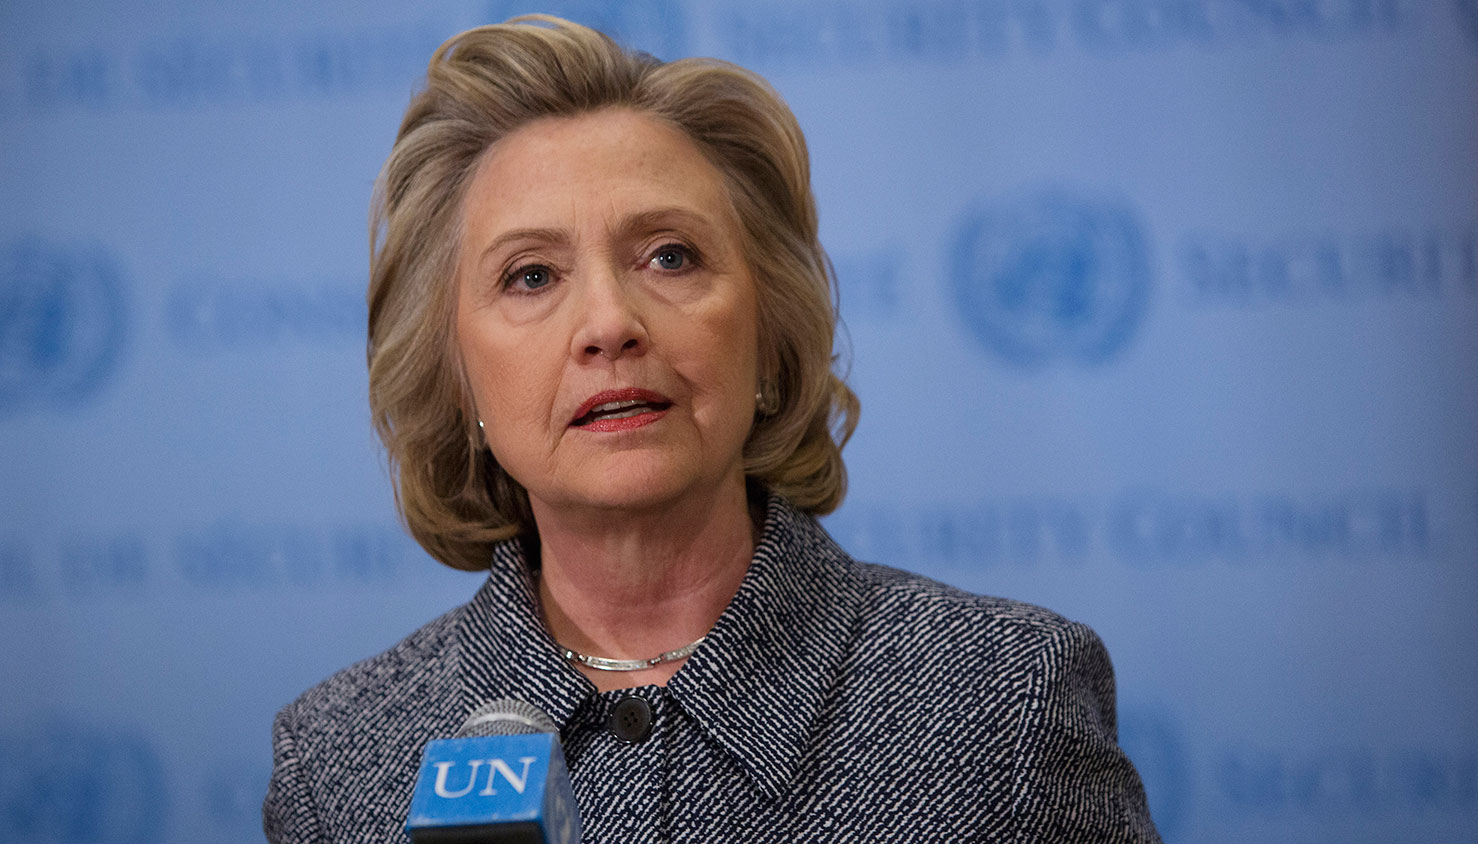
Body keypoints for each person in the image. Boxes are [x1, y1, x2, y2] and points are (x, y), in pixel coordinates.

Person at [263, 15, 1160, 843]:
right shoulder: (339, 761)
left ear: (770, 337)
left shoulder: (1003, 701)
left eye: (670, 256)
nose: (609, 323)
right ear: (454, 377)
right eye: (531, 276)